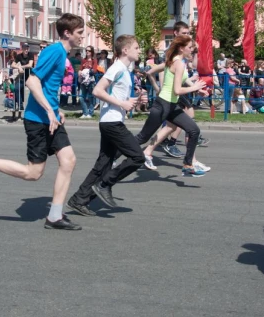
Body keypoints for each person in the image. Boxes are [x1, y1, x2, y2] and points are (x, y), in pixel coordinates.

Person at [0, 14, 85, 230]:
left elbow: (47, 87)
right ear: (67, 33)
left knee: (68, 160)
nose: (83, 36)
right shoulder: (55, 51)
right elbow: (32, 82)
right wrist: (49, 111)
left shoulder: (62, 53)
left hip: (50, 118)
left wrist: (56, 110)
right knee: (33, 173)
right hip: (38, 120)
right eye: (80, 32)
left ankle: (54, 216)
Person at [67, 35, 146, 215]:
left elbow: (117, 98)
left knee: (103, 164)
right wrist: (122, 104)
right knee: (137, 157)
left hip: (111, 120)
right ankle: (104, 184)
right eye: (136, 47)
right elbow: (97, 91)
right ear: (125, 50)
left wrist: (133, 100)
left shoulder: (124, 70)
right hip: (112, 123)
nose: (139, 50)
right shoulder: (117, 68)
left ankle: (79, 200)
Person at [134, 35, 208, 177]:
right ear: (181, 48)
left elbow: (182, 81)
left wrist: (198, 88)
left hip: (172, 105)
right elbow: (177, 90)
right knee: (142, 138)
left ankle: (188, 165)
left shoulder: (176, 60)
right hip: (163, 105)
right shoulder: (178, 63)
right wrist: (195, 87)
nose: (192, 50)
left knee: (193, 130)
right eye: (190, 47)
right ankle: (112, 155)